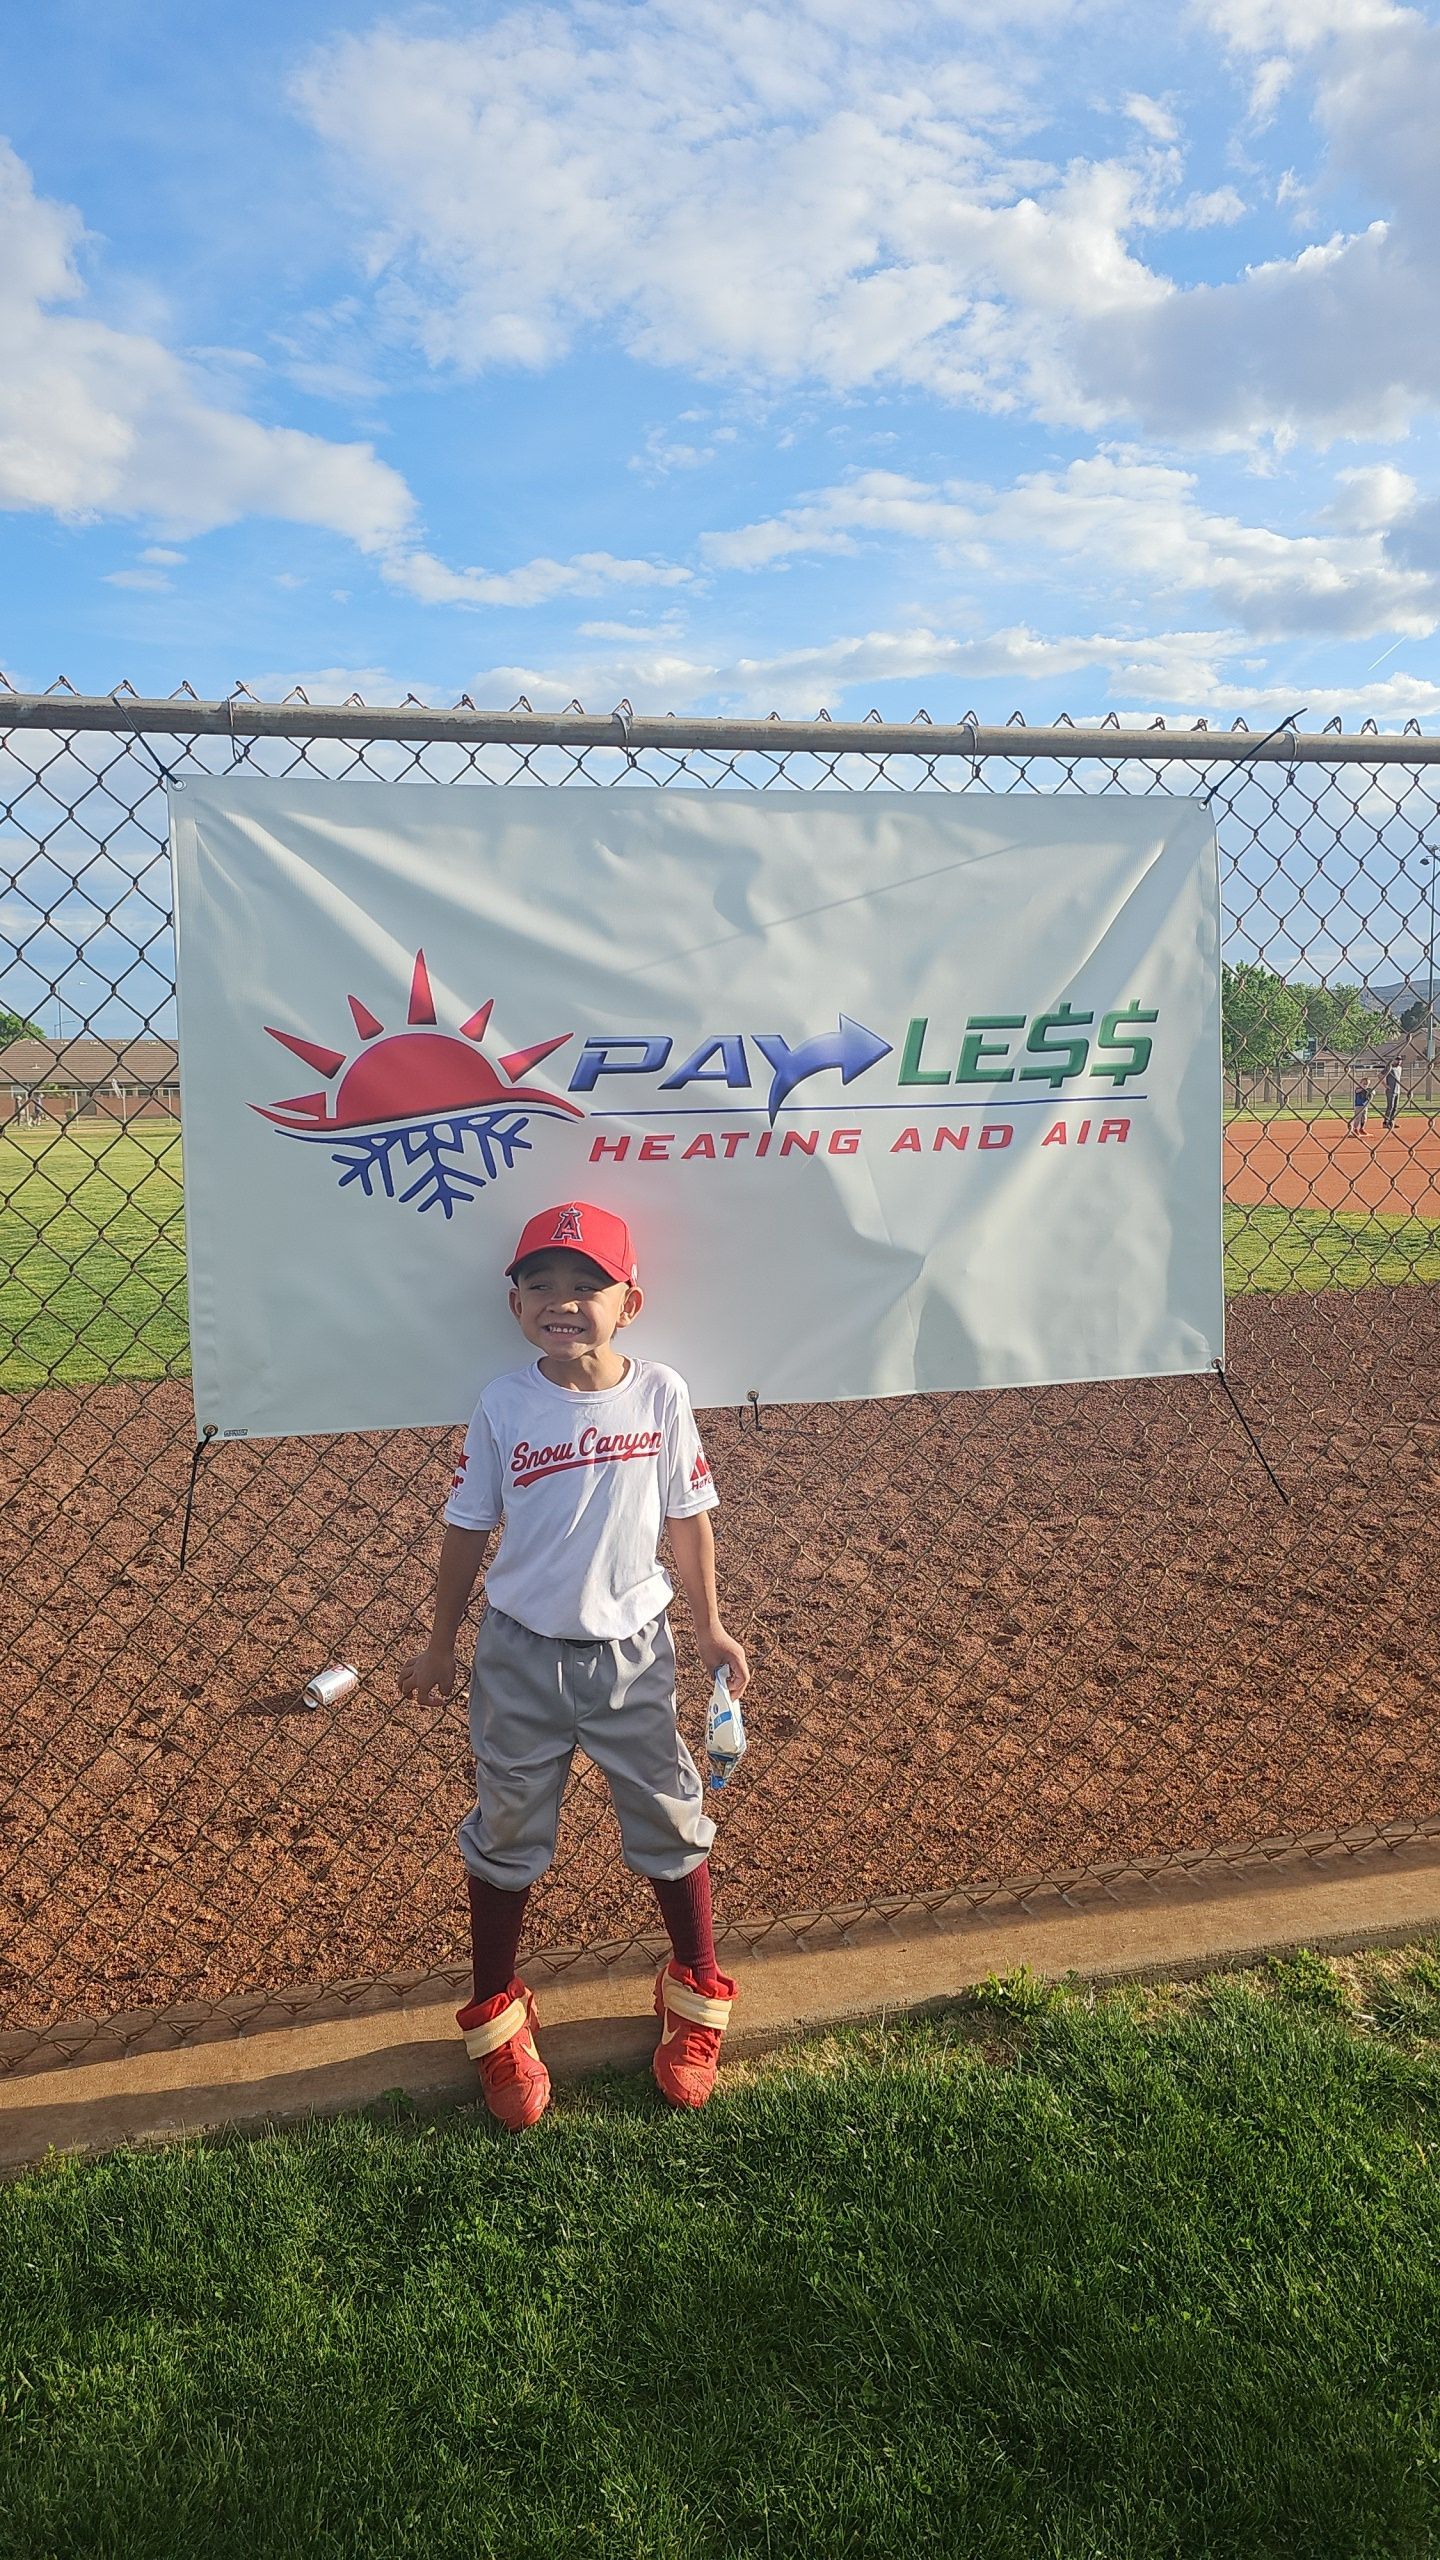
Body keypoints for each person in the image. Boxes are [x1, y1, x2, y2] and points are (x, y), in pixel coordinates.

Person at [399, 1200, 750, 2131]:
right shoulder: (504, 1403)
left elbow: (688, 1519)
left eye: (587, 1285)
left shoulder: (660, 1394)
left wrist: (711, 1627)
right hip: (519, 1655)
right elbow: (467, 1526)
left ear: (630, 1302)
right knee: (507, 1831)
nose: (562, 1301)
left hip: (635, 1654)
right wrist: (440, 1642)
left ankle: (695, 1993)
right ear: (514, 1304)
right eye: (540, 1285)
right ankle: (498, 2019)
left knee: (671, 1818)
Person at [1382, 1058, 1401, 1131]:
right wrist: (1385, 1085)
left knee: (1395, 1107)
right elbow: (1380, 1075)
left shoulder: (1400, 1068)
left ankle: (1391, 1122)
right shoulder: (1390, 1067)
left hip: (1397, 1090)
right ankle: (1385, 1122)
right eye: (1397, 1060)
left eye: (1400, 1060)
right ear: (1393, 1060)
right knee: (1390, 1106)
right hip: (1390, 1091)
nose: (1399, 1061)